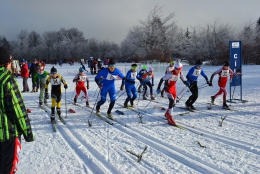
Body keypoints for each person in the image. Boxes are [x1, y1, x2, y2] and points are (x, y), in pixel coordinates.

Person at [0, 46, 34, 174]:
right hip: (6, 134)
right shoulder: (6, 80)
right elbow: (18, 109)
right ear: (6, 63)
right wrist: (28, 133)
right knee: (6, 169)